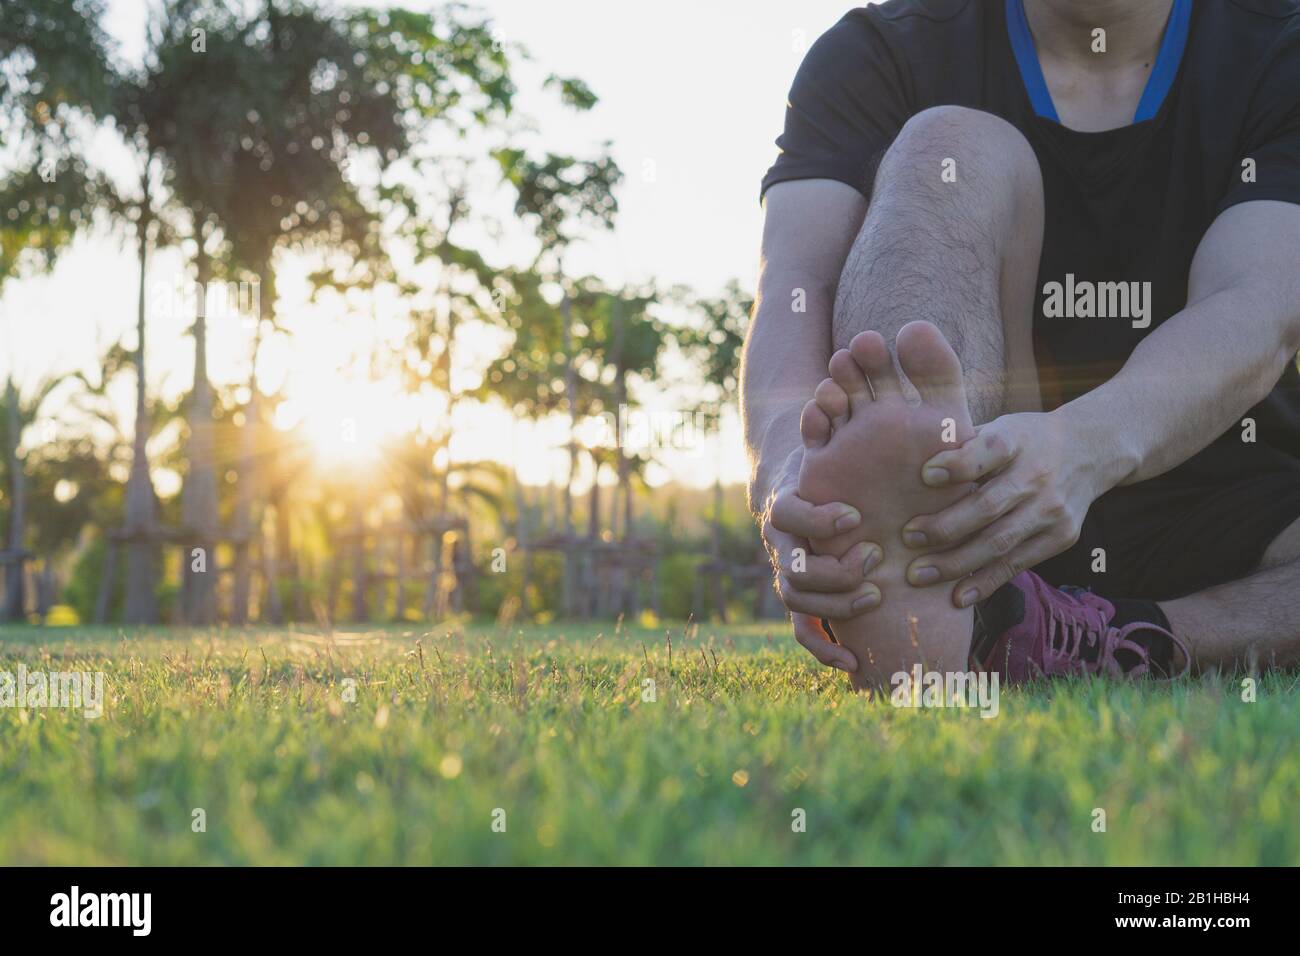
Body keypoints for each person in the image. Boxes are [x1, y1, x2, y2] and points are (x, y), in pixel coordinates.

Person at [742, 0, 1300, 689]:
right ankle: (918, 545)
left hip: (1235, 510)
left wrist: (1082, 447)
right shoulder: (878, 53)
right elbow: (796, 282)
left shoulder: (1282, 47)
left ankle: (1092, 636)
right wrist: (788, 479)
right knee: (948, 145)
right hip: (977, 514)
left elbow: (1256, 302)